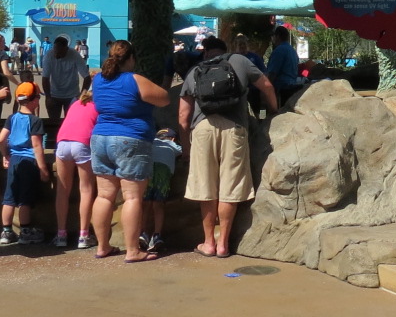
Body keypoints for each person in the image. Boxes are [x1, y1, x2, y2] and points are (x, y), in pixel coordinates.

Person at [178, 36, 277, 259]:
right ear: (226, 50)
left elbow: (183, 118)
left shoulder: (195, 71)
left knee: (206, 187)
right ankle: (223, 244)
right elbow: (267, 86)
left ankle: (208, 243)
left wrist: (186, 148)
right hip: (235, 128)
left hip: (203, 129)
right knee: (230, 187)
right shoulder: (240, 61)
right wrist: (273, 112)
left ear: (205, 53)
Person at [89, 39, 171, 262]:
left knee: (104, 195)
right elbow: (164, 98)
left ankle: (102, 246)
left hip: (100, 138)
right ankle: (133, 250)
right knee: (132, 197)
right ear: (131, 58)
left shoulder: (98, 80)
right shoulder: (134, 80)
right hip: (130, 139)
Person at [0, 82, 50, 245]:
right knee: (25, 199)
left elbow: (0, 139)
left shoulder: (12, 118)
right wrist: (43, 169)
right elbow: (36, 146)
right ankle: (25, 231)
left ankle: (6, 232)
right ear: (34, 100)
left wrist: (6, 154)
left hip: (14, 161)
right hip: (29, 161)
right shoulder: (35, 121)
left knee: (9, 197)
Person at [53, 77, 98, 249]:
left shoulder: (75, 104)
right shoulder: (99, 107)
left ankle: (61, 234)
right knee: (86, 190)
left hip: (62, 142)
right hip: (82, 144)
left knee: (62, 190)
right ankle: (83, 235)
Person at [142, 129, 183, 252]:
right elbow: (183, 152)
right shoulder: (173, 145)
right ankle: (156, 235)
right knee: (158, 204)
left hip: (148, 169)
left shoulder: (152, 142)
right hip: (163, 171)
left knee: (145, 203)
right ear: (173, 138)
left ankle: (142, 233)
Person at [41, 35, 90, 120]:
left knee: (71, 122)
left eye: (59, 51)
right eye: (55, 50)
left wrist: (82, 95)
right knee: (54, 123)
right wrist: (48, 97)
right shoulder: (49, 56)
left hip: (72, 95)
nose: (56, 53)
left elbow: (87, 77)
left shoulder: (75, 55)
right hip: (54, 95)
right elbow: (45, 78)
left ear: (66, 49)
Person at [264, 25, 303, 109]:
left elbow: (273, 73)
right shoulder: (292, 50)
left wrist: (266, 90)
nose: (272, 38)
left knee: (278, 115)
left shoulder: (279, 51)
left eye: (273, 36)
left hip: (282, 89)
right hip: (292, 88)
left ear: (277, 36)